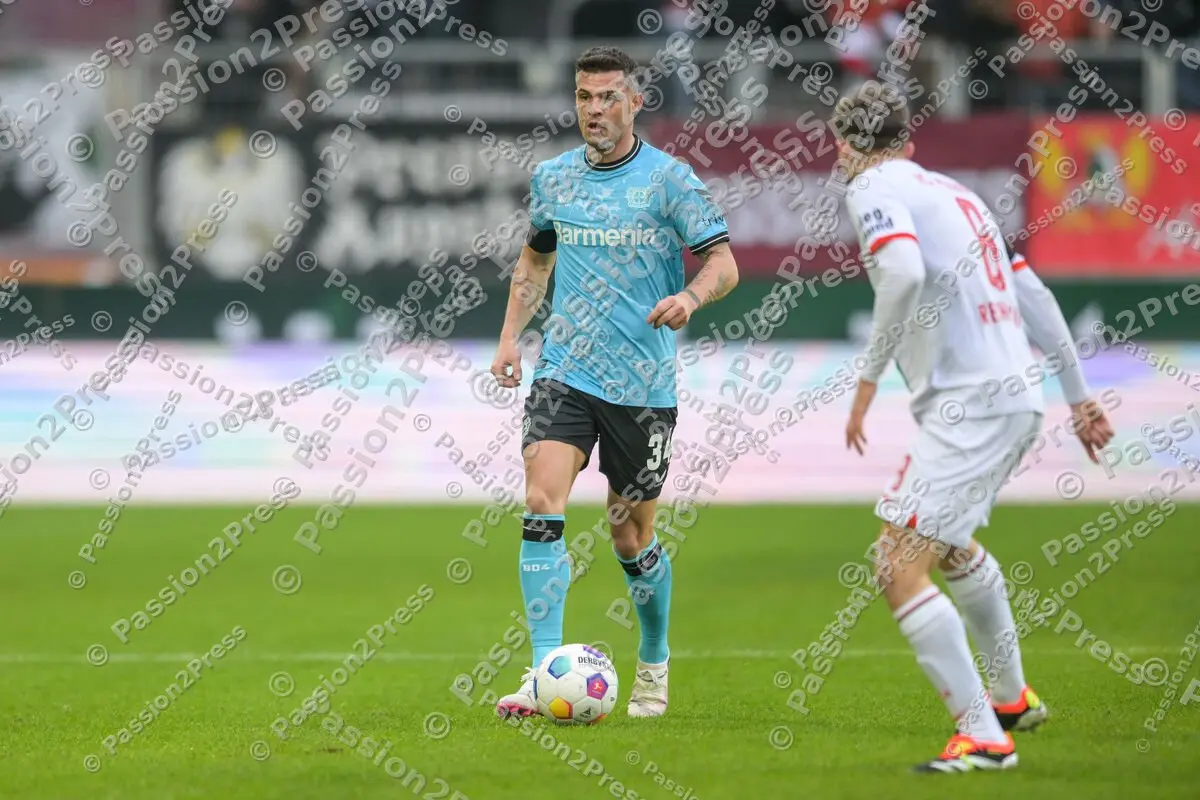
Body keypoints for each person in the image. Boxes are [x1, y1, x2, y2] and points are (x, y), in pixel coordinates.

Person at [834, 81, 1115, 772]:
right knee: (951, 547)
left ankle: (984, 736)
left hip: (972, 404)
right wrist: (1078, 397)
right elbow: (1035, 295)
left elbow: (899, 272)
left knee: (897, 563)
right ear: (910, 139)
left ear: (844, 146)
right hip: (1015, 395)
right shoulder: (959, 196)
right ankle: (1011, 695)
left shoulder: (869, 190)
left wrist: (868, 379)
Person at [489, 46, 740, 720]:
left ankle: (653, 662)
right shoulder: (554, 179)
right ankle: (546, 672)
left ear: (635, 102)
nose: (594, 111)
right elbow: (535, 259)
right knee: (542, 504)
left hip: (642, 384)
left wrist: (690, 297)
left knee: (630, 538)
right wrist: (511, 334)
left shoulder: (669, 182)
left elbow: (724, 262)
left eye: (607, 98)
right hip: (565, 372)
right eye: (584, 98)